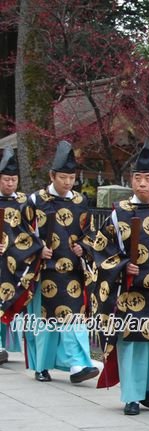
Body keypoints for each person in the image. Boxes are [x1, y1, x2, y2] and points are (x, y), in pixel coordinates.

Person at [93, 141, 149, 415]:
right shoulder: (119, 214)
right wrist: (123, 265)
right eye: (138, 177)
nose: (142, 183)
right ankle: (131, 396)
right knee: (133, 344)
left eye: (148, 178)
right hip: (130, 293)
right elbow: (101, 248)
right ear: (131, 180)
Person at [23, 141, 98, 384]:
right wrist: (37, 249)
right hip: (46, 269)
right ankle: (41, 366)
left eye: (72, 178)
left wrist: (83, 247)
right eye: (63, 177)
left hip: (73, 268)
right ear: (52, 175)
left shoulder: (80, 201)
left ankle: (79, 364)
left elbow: (90, 232)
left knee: (75, 317)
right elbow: (19, 232)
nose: (68, 183)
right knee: (47, 320)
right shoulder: (35, 201)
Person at [0, 148, 27, 364]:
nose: (10, 184)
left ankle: (8, 342)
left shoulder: (25, 202)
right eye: (6, 179)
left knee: (12, 298)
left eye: (13, 179)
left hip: (17, 259)